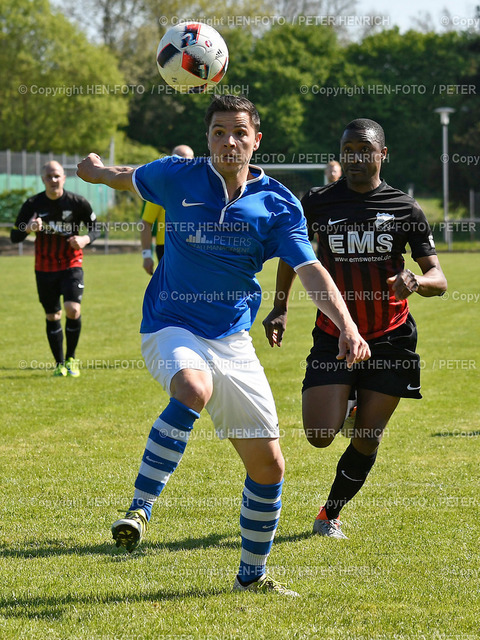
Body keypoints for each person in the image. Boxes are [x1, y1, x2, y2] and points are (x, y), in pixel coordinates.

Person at [77, 95, 370, 596]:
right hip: (170, 325)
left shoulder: (277, 203)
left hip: (233, 339)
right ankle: (140, 508)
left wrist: (346, 323)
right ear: (208, 138)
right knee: (193, 386)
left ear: (257, 140)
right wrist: (98, 171)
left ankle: (251, 578)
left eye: (239, 132)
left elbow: (309, 270)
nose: (228, 141)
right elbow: (129, 176)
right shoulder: (179, 175)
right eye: (218, 132)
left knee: (269, 466)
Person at [263, 118, 447, 539]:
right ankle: (347, 401)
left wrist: (416, 282)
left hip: (391, 337)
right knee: (320, 435)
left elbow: (439, 277)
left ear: (383, 155)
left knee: (366, 437)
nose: (355, 158)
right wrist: (279, 308)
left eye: (365, 150)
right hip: (335, 334)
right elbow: (293, 257)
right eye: (348, 150)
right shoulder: (318, 202)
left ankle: (330, 514)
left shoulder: (405, 208)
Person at [11, 161, 100, 377]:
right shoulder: (32, 204)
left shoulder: (77, 203)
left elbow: (97, 228)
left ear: (64, 178)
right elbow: (15, 236)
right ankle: (59, 363)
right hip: (44, 267)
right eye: (49, 176)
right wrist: (28, 228)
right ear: (43, 179)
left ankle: (71, 359)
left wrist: (85, 239)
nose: (53, 180)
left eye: (57, 175)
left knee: (73, 309)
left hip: (71, 263)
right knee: (53, 315)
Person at [140, 144, 195, 275]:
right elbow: (146, 223)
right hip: (167, 248)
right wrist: (147, 255)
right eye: (178, 160)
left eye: (187, 160)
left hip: (195, 247)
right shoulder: (161, 188)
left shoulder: (201, 188)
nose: (183, 164)